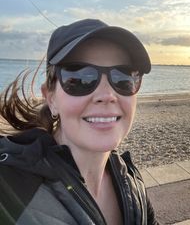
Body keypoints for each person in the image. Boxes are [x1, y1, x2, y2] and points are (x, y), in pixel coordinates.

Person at [0, 19, 159, 225]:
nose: (107, 95)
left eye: (123, 77)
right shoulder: (10, 191)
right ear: (51, 99)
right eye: (80, 78)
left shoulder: (132, 184)